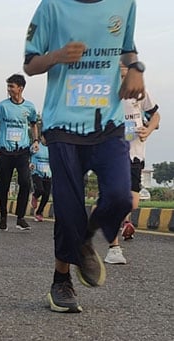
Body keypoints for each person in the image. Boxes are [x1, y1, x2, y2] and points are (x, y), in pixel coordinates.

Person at [24, 0, 145, 313]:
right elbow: (30, 63)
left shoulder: (124, 4)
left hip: (108, 120)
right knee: (68, 206)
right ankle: (61, 280)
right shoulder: (52, 7)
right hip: (62, 122)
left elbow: (128, 48)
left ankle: (84, 239)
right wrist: (58, 56)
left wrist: (135, 69)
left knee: (121, 197)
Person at [104, 62, 161, 265]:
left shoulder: (140, 92)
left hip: (135, 153)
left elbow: (155, 115)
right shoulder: (105, 92)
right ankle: (114, 248)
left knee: (132, 202)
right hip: (111, 153)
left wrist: (149, 129)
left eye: (124, 64)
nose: (121, 68)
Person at [0, 73, 39, 231]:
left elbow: (33, 124)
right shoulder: (2, 106)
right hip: (5, 152)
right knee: (3, 185)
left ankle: (20, 218)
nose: (9, 89)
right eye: (8, 86)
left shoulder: (29, 107)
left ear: (20, 88)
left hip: (22, 151)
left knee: (25, 182)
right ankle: (3, 216)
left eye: (12, 86)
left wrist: (35, 140)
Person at [30, 134, 51, 223]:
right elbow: (28, 154)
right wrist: (29, 163)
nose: (46, 139)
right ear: (41, 137)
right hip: (36, 173)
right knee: (40, 190)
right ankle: (35, 196)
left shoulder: (52, 148)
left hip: (47, 174)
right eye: (44, 137)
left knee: (46, 195)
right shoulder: (36, 146)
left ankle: (39, 213)